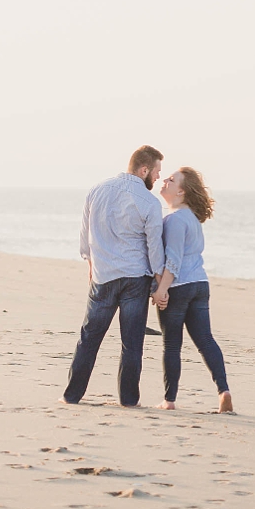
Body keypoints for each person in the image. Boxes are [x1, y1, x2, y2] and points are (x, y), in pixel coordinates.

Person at [61, 145, 165, 407]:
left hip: (102, 277)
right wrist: (159, 284)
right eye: (156, 172)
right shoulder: (150, 202)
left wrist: (91, 267)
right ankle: (129, 401)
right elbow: (155, 249)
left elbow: (85, 237)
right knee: (131, 343)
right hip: (134, 280)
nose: (158, 178)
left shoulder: (97, 190)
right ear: (144, 170)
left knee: (89, 339)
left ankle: (71, 396)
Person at [151, 167, 233, 413]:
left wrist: (161, 290)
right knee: (205, 340)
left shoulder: (174, 220)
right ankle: (224, 390)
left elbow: (173, 260)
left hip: (179, 287)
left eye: (172, 180)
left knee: (172, 345)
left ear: (181, 191)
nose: (165, 180)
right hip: (200, 285)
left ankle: (169, 400)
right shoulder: (193, 220)